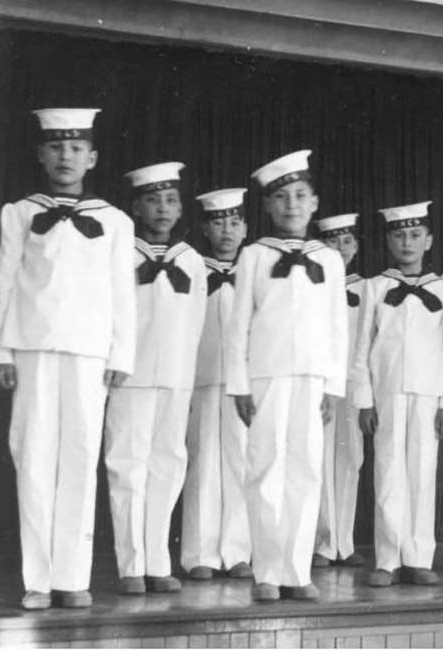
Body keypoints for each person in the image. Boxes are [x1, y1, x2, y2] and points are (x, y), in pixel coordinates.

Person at [0, 108, 135, 610]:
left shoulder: (116, 221)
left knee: (79, 460)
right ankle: (38, 578)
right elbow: (4, 283)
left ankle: (73, 578)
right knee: (31, 458)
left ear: (91, 158)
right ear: (41, 154)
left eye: (76, 148)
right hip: (31, 349)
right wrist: (0, 350)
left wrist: (122, 353)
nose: (66, 156)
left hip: (90, 352)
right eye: (56, 147)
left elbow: (123, 293)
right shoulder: (18, 212)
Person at [226, 150, 348, 601]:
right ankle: (267, 572)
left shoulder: (330, 260)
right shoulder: (254, 255)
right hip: (267, 376)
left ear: (315, 203)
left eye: (300, 195)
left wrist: (334, 386)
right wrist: (238, 384)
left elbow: (339, 327)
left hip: (313, 379)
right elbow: (238, 323)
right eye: (281, 198)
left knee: (305, 470)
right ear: (269, 207)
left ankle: (297, 571)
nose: (292, 205)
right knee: (264, 468)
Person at [105, 162, 208, 595]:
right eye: (152, 200)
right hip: (130, 375)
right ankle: (131, 564)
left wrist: (188, 376)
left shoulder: (192, 261)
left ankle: (158, 560)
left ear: (181, 208)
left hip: (176, 376)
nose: (162, 209)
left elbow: (197, 323)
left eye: (170, 200)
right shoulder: (120, 253)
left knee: (169, 463)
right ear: (136, 207)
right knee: (128, 465)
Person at [353, 201, 443, 588]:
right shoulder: (375, 287)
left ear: (428, 240)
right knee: (388, 472)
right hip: (388, 392)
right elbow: (362, 348)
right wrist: (364, 398)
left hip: (428, 395)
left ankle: (418, 557)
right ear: (388, 241)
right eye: (399, 235)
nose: (407, 242)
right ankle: (387, 558)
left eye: (415, 235)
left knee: (422, 474)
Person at [181, 187, 252, 581]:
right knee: (203, 463)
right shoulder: (193, 269)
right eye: (219, 222)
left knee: (241, 463)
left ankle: (238, 550)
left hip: (244, 384)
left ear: (245, 228)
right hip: (203, 380)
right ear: (206, 229)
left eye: (235, 222)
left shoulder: (255, 269)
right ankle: (200, 554)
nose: (227, 230)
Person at [313, 213, 366, 569]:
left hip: (353, 383)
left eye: (347, 241)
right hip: (320, 383)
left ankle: (344, 542)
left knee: (350, 460)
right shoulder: (312, 283)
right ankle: (322, 542)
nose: (341, 249)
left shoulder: (368, 288)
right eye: (333, 242)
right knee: (318, 459)